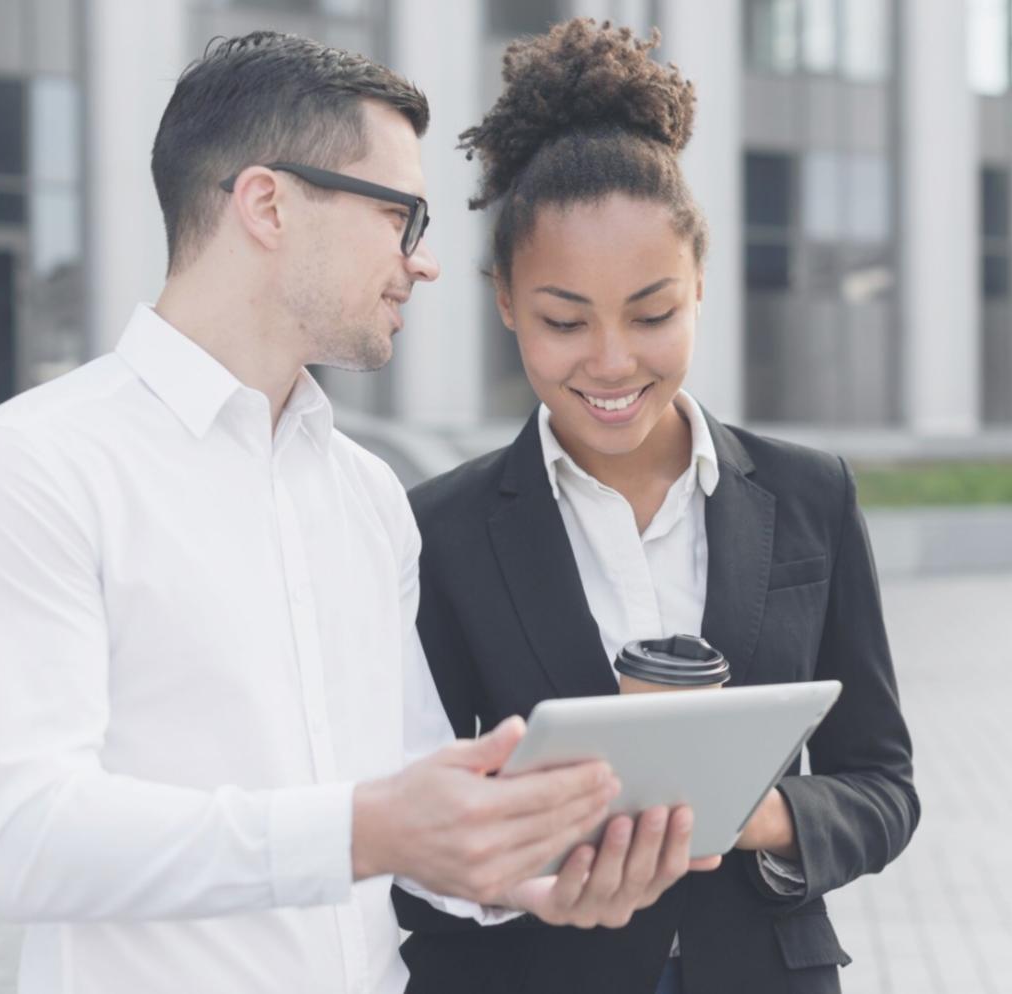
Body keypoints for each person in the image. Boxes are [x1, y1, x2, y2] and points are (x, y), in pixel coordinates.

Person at [0, 31, 711, 994]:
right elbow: (28, 840)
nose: (424, 263)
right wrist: (361, 828)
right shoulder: (28, 471)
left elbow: (410, 791)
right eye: (401, 217)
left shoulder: (366, 494)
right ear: (268, 203)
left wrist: (535, 870)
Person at [393, 20, 920, 994]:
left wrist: (759, 815)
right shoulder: (438, 532)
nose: (610, 362)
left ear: (700, 288)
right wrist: (535, 861)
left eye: (651, 313)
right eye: (562, 319)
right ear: (504, 300)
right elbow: (413, 834)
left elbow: (883, 786)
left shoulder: (810, 497)